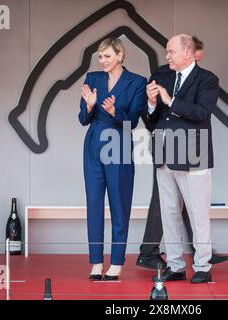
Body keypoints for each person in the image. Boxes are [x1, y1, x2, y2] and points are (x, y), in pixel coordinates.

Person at [137, 36, 228, 271]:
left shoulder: (207, 79)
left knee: (198, 215)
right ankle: (175, 266)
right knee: (168, 215)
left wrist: (170, 100)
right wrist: (150, 103)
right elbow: (152, 121)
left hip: (193, 157)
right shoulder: (161, 75)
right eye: (167, 52)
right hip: (164, 157)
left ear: (187, 52)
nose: (167, 56)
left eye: (171, 52)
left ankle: (202, 268)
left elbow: (201, 113)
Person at [78, 37, 147, 281]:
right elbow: (83, 119)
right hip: (94, 142)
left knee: (120, 204)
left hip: (118, 140)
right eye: (100, 56)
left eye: (107, 56)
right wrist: (89, 107)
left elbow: (134, 122)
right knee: (94, 204)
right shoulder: (92, 79)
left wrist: (113, 112)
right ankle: (96, 261)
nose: (102, 60)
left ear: (120, 55)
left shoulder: (137, 82)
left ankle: (116, 262)